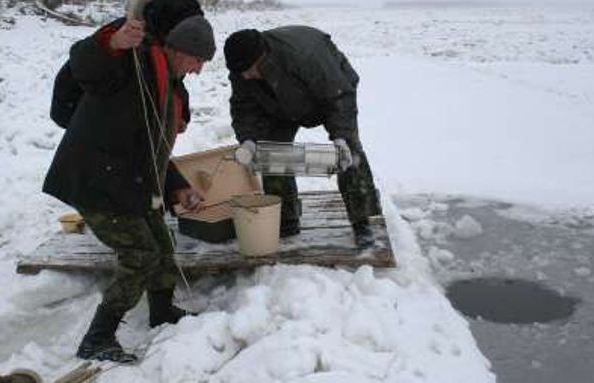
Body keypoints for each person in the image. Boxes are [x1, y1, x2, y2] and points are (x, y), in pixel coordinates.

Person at [42, 9, 216, 363]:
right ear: (181, 49)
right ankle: (97, 338)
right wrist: (111, 41)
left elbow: (151, 151)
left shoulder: (166, 81)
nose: (199, 69)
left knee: (161, 240)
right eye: (198, 60)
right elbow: (86, 65)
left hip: (124, 179)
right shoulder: (131, 64)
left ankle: (162, 311)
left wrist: (176, 187)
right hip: (95, 180)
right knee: (140, 254)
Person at [224, 26, 381, 248]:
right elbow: (243, 106)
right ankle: (285, 218)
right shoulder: (242, 68)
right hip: (278, 103)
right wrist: (248, 139)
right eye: (242, 73)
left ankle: (361, 221)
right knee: (272, 151)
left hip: (330, 93)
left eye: (249, 70)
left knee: (348, 153)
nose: (246, 76)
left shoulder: (304, 56)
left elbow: (339, 97)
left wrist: (341, 136)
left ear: (263, 57)